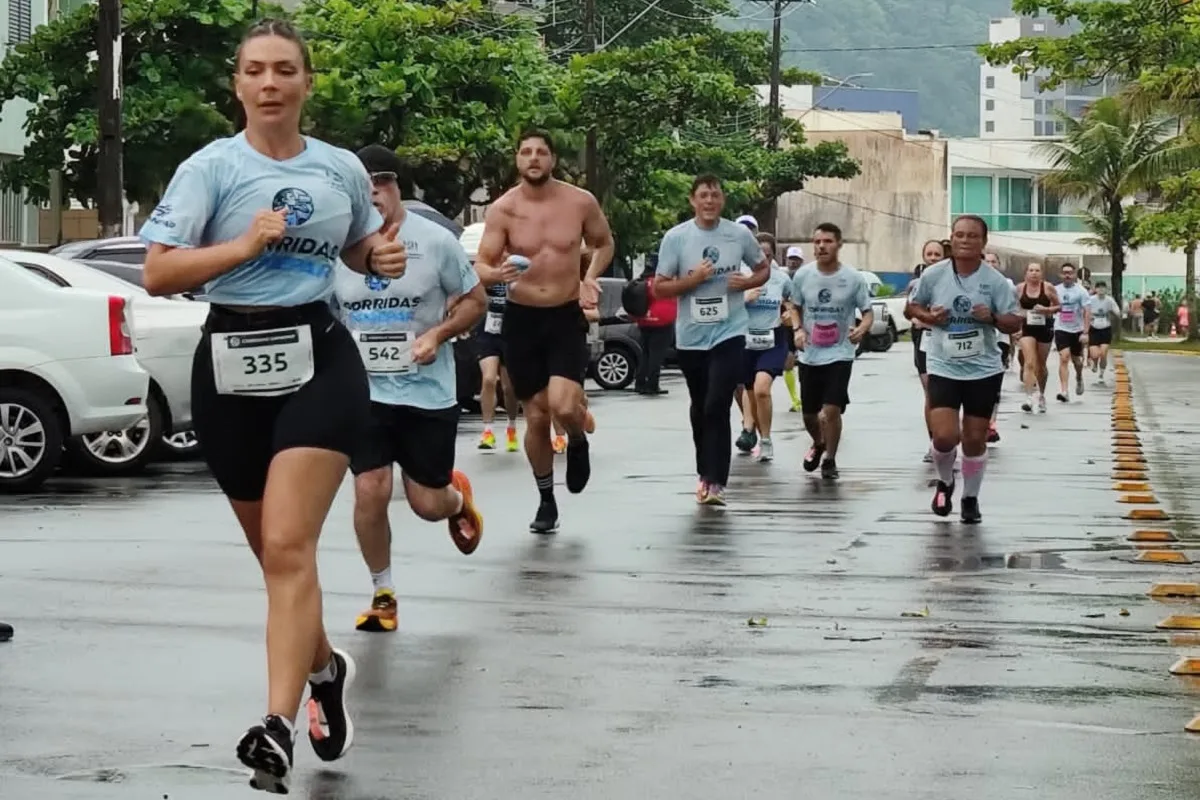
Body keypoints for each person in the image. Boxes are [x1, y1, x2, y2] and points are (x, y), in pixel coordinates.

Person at [139, 19, 409, 794]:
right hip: (227, 362)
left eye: (284, 70)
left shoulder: (340, 169)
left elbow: (360, 246)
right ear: (237, 85)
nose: (269, 84)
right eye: (254, 71)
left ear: (305, 82)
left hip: (318, 358)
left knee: (291, 547)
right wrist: (242, 248)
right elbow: (159, 273)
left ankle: (275, 726)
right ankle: (325, 669)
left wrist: (378, 257)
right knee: (276, 561)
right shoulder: (209, 169)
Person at [332, 144, 487, 635]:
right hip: (366, 393)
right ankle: (383, 594)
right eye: (363, 184)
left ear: (399, 187)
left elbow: (475, 301)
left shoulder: (434, 242)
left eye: (383, 181)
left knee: (425, 504)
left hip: (426, 392)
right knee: (370, 489)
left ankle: (457, 500)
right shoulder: (338, 249)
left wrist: (437, 335)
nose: (373, 191)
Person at [474, 130, 614, 534]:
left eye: (541, 152)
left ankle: (578, 438)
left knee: (564, 405)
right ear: (517, 159)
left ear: (552, 159)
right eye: (526, 152)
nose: (533, 158)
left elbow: (604, 243)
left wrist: (590, 276)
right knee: (535, 416)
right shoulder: (503, 209)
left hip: (564, 316)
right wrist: (494, 274)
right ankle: (546, 499)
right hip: (521, 319)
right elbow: (482, 263)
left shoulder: (579, 202)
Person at [653, 174, 771, 505]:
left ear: (723, 200)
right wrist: (693, 280)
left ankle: (717, 481)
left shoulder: (738, 235)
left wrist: (747, 284)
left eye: (715, 195)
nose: (709, 201)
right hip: (691, 336)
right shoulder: (676, 238)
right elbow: (660, 287)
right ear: (692, 200)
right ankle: (704, 471)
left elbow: (763, 269)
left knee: (718, 402)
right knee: (701, 405)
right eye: (703, 195)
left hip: (729, 331)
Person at [906, 215, 1022, 524]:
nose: (965, 240)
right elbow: (911, 308)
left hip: (983, 368)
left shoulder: (995, 281)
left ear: (983, 242)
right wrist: (930, 316)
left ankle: (970, 498)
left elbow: (1015, 320)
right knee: (945, 436)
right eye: (959, 235)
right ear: (951, 239)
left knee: (973, 439)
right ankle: (945, 481)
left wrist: (992, 317)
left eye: (972, 236)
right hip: (943, 364)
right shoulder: (933, 275)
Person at [790, 223, 873, 480]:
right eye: (817, 242)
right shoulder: (803, 276)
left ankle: (830, 459)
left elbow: (867, 312)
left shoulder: (853, 278)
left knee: (831, 411)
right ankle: (818, 442)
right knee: (810, 415)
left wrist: (862, 329)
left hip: (840, 352)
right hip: (811, 353)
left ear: (839, 244)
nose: (821, 246)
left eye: (827, 241)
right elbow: (795, 307)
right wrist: (798, 330)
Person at [741, 232, 793, 462]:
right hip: (744, 341)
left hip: (773, 340)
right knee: (751, 392)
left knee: (762, 388)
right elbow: (724, 306)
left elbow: (793, 303)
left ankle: (767, 440)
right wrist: (744, 298)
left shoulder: (781, 279)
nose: (764, 259)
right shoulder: (741, 275)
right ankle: (753, 430)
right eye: (760, 254)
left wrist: (790, 315)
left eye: (769, 255)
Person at [474, 252, 520, 452]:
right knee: (489, 380)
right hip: (488, 330)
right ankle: (488, 431)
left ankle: (511, 426)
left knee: (509, 388)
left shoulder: (519, 270)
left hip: (511, 331)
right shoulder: (486, 269)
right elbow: (474, 293)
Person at [905, 239, 945, 463]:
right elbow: (908, 312)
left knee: (946, 393)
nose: (932, 258)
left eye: (937, 254)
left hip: (946, 341)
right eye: (929, 254)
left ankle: (946, 437)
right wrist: (918, 318)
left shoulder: (950, 280)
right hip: (923, 341)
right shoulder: (915, 285)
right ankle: (933, 442)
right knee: (930, 392)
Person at [1015, 262, 1059, 413]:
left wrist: (1046, 309)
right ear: (1026, 273)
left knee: (1041, 366)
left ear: (1041, 274)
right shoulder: (1020, 288)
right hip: (1027, 329)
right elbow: (1014, 307)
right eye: (1031, 270)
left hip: (1045, 328)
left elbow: (1059, 306)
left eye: (1037, 271)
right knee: (1029, 363)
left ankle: (1041, 394)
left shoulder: (1047, 288)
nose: (1034, 273)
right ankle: (1028, 397)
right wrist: (1021, 315)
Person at [633, 254, 676, 395]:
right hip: (662, 322)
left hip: (644, 321)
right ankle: (652, 385)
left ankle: (640, 383)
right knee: (657, 355)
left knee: (645, 354)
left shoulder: (643, 281)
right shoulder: (663, 282)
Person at [1053, 263, 1091, 403]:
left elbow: (1087, 311)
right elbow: (1051, 307)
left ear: (1074, 275)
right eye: (1064, 273)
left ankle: (1079, 376)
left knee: (1077, 361)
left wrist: (1085, 332)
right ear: (1061, 275)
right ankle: (1064, 391)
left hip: (1077, 329)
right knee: (1064, 357)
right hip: (1061, 327)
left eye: (1070, 272)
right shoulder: (1055, 290)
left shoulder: (1081, 291)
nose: (1067, 275)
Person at [781, 245, 805, 412]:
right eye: (791, 259)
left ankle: (808, 397)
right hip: (786, 325)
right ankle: (796, 400)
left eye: (797, 259)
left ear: (801, 261)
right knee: (788, 362)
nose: (793, 262)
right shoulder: (782, 277)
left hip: (804, 324)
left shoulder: (806, 277)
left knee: (807, 363)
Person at [1086, 280, 1121, 383]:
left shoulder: (1109, 300)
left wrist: (1116, 314)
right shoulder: (1091, 299)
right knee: (1094, 354)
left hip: (1106, 328)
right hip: (1093, 328)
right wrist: (1089, 316)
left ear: (1106, 289)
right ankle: (1095, 363)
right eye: (1099, 287)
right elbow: (1083, 310)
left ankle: (1101, 373)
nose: (1101, 290)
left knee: (1103, 353)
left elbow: (1117, 312)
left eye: (1103, 287)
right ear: (1095, 289)